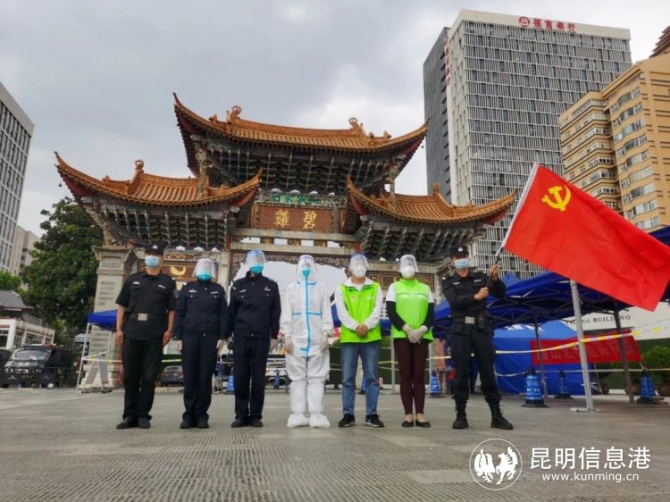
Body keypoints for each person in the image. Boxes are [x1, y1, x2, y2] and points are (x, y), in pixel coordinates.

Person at [441, 244, 513, 430]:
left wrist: (495, 279)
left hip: (481, 329)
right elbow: (454, 302)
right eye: (458, 257)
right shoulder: (448, 281)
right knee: (461, 372)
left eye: (464, 256)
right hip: (460, 330)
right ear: (452, 261)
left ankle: (496, 415)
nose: (462, 259)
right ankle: (460, 415)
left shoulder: (481, 278)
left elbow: (500, 294)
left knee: (487, 371)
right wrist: (475, 297)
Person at [115, 243, 176, 430]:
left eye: (156, 255)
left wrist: (169, 330)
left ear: (162, 259)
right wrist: (119, 329)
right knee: (130, 376)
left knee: (149, 377)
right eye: (149, 254)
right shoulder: (133, 280)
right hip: (132, 331)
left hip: (154, 333)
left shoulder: (168, 282)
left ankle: (143, 415)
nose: (152, 257)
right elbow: (122, 306)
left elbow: (172, 310)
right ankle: (129, 415)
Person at [225, 250, 281, 428]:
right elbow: (231, 312)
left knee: (258, 378)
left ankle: (256, 414)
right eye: (254, 261)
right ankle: (241, 415)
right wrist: (227, 334)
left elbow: (275, 313)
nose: (257, 264)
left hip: (261, 338)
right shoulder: (237, 285)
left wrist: (274, 336)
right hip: (241, 337)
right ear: (248, 264)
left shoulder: (271, 286)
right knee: (241, 377)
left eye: (259, 261)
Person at [173, 258, 228, 429]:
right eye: (202, 268)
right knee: (190, 377)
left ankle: (202, 414)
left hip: (210, 338)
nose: (205, 271)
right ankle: (189, 414)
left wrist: (222, 336)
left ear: (212, 272)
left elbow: (223, 315)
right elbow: (180, 313)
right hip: (189, 337)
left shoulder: (218, 290)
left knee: (205, 377)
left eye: (208, 268)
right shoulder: (187, 289)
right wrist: (178, 337)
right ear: (196, 271)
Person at [281, 255, 333, 428]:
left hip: (318, 341)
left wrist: (326, 334)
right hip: (296, 341)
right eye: (303, 265)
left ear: (313, 268)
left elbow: (326, 312)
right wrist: (287, 336)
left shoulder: (321, 288)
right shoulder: (291, 288)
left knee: (317, 378)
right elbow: (287, 313)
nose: (305, 268)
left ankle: (316, 414)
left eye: (308, 265)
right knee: (297, 378)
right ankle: (298, 414)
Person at [334, 253, 384, 428]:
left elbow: (377, 310)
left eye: (362, 263)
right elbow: (341, 313)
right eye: (355, 264)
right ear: (349, 268)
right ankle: (348, 414)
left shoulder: (375, 287)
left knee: (372, 377)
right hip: (350, 338)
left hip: (371, 338)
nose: (359, 266)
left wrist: (367, 326)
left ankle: (372, 414)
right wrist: (356, 326)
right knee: (348, 378)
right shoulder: (342, 288)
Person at [385, 254, 435, 428]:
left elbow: (430, 314)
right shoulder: (394, 287)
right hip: (402, 336)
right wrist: (406, 329)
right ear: (400, 268)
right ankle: (408, 414)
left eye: (411, 264)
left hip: (422, 336)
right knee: (406, 375)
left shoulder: (426, 289)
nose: (408, 267)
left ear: (416, 267)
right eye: (405, 264)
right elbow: (391, 312)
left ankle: (420, 413)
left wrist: (422, 330)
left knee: (419, 374)